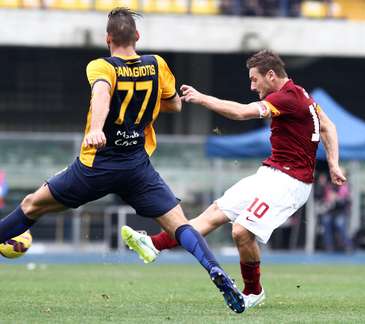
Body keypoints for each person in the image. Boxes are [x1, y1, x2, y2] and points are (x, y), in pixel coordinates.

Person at [0, 8, 245, 314]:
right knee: (179, 225)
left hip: (96, 166)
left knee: (30, 205)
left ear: (108, 39)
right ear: (137, 37)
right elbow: (174, 105)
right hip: (137, 167)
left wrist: (95, 129)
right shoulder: (157, 64)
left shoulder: (101, 66)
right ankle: (214, 269)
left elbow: (102, 94)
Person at [122, 50, 346, 308]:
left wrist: (202, 98)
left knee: (241, 231)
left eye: (255, 79)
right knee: (214, 213)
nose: (252, 86)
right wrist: (333, 164)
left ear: (271, 75)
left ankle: (253, 292)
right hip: (271, 174)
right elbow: (328, 126)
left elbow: (241, 112)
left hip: (290, 182)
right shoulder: (303, 95)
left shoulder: (287, 98)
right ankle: (153, 244)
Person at [318, 172, 352, 253]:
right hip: (330, 212)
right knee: (326, 221)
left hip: (341, 212)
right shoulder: (329, 187)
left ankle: (347, 245)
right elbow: (324, 200)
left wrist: (337, 199)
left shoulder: (344, 188)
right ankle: (328, 246)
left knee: (339, 223)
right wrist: (328, 202)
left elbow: (347, 202)